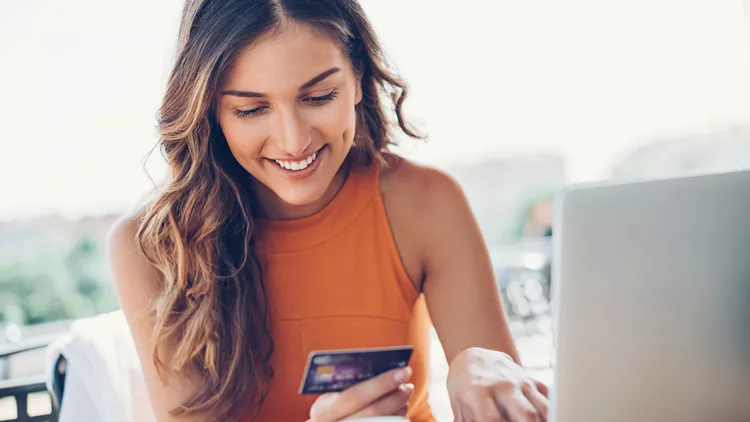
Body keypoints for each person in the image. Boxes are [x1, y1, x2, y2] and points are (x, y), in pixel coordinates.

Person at [107, 0, 550, 421]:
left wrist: (480, 363)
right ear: (209, 110)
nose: (294, 141)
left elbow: (511, 408)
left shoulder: (425, 203)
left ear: (357, 77)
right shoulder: (151, 247)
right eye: (251, 109)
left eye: (318, 97)